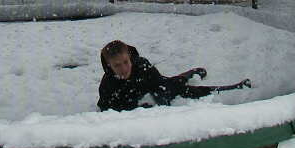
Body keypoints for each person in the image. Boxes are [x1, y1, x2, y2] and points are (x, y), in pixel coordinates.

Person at [97, 40, 251, 112]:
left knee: (180, 86)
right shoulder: (108, 84)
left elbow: (162, 84)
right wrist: (136, 108)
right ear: (109, 65)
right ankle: (188, 74)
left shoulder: (142, 65)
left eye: (125, 62)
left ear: (129, 57)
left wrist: (159, 102)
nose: (123, 68)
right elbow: (105, 109)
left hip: (154, 88)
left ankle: (230, 87)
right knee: (174, 83)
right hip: (137, 101)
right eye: (117, 65)